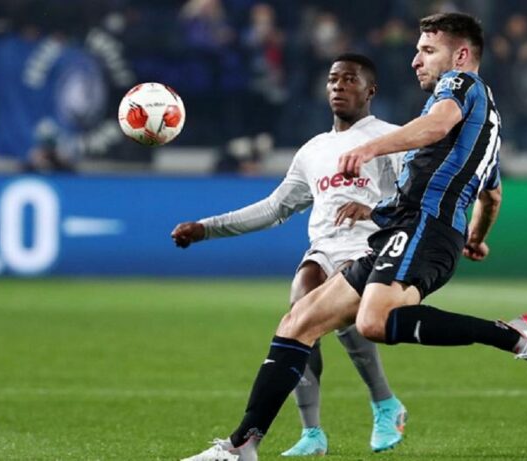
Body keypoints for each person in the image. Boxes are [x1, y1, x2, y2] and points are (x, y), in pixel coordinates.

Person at [180, 12, 527, 461]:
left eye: (427, 50)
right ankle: (241, 446)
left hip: (424, 224)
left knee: (373, 322)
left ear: (461, 55)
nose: (415, 61)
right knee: (299, 322)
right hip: (411, 230)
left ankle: (514, 336)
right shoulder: (486, 125)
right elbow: (493, 194)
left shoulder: (460, 85)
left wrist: (369, 146)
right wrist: (475, 237)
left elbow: (436, 125)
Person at [172, 54, 408, 456]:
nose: (338, 86)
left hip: (372, 248)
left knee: (336, 310)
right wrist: (207, 228)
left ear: (370, 90)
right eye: (333, 79)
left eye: (350, 79)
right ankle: (312, 433)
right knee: (301, 305)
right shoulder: (313, 150)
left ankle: (385, 403)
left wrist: (373, 210)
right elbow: (274, 208)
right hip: (325, 248)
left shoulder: (392, 139)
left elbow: (414, 198)